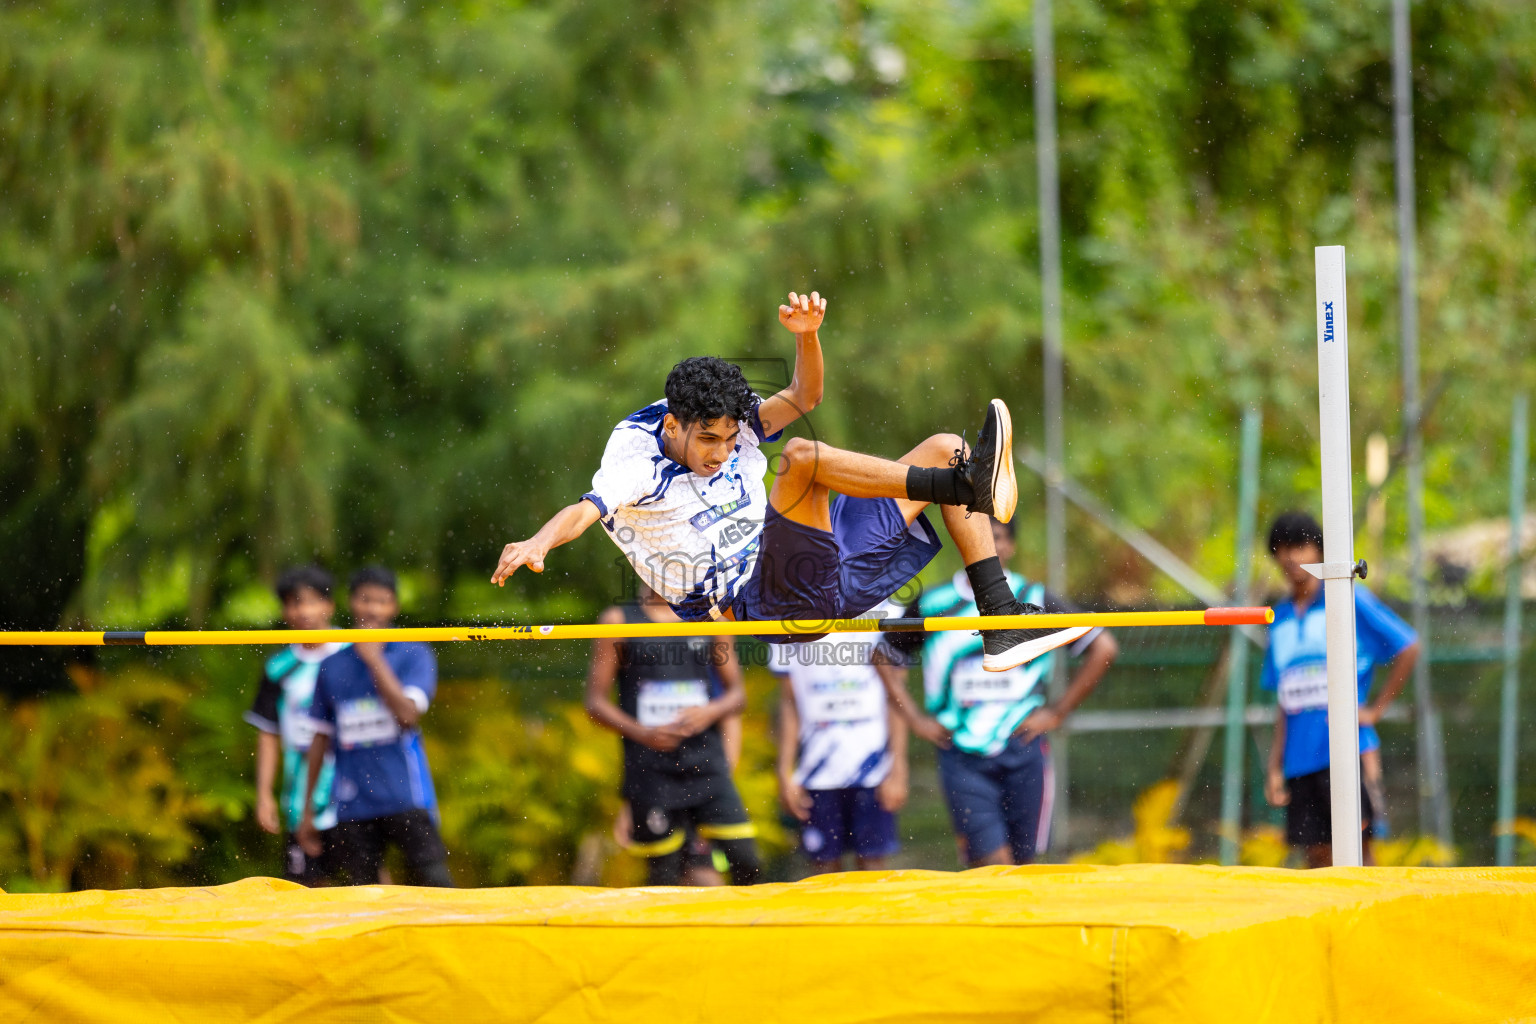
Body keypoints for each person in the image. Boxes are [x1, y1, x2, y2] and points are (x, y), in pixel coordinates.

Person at [492, 290, 1086, 674]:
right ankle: (964, 487)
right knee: (801, 458)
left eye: (732, 440)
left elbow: (804, 395)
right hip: (766, 600)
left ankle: (1001, 621)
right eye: (708, 442)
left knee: (944, 448)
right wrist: (540, 542)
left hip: (826, 566)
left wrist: (806, 335)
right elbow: (586, 509)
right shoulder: (634, 458)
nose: (722, 454)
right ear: (673, 425)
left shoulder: (725, 418)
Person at [884, 517, 1119, 867]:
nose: (985, 547)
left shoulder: (1034, 599)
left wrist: (1056, 712)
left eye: (995, 538)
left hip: (1022, 748)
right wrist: (916, 720)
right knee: (993, 865)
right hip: (961, 754)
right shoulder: (933, 603)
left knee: (1025, 868)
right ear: (961, 542)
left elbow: (1104, 647)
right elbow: (883, 657)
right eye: (974, 537)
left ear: (1010, 546)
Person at [1261, 511, 1420, 867]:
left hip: (1346, 750)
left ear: (1319, 550)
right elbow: (1285, 701)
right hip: (1300, 760)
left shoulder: (1349, 599)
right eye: (1282, 549)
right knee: (1316, 860)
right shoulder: (1279, 617)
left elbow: (1408, 646)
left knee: (1359, 854)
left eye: (1299, 546)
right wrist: (1275, 766)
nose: (1291, 557)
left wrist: (1375, 710)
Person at [586, 583, 762, 886]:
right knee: (664, 876)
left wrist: (708, 712)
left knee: (747, 861)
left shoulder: (710, 617)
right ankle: (671, 934)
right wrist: (643, 733)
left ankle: (752, 930)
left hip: (706, 765)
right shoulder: (618, 620)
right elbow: (595, 703)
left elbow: (737, 696)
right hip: (650, 772)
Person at [298, 567, 453, 887]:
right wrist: (307, 810)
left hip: (406, 795)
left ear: (394, 606)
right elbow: (319, 740)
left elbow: (408, 716)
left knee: (436, 885)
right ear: (351, 602)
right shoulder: (332, 664)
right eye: (365, 599)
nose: (372, 609)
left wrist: (374, 660)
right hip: (353, 803)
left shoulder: (413, 652)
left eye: (381, 601)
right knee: (364, 893)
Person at [773, 600, 909, 873]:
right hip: (816, 770)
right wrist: (785, 770)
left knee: (873, 867)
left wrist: (898, 767)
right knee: (823, 869)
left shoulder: (889, 612)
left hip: (873, 768)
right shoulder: (784, 614)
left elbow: (898, 699)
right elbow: (788, 702)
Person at [244, 565, 349, 885]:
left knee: (370, 886)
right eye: (292, 603)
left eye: (309, 601)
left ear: (328, 605)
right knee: (305, 892)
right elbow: (268, 734)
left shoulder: (356, 652)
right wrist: (264, 795)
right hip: (300, 798)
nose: (301, 611)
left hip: (354, 796)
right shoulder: (279, 668)